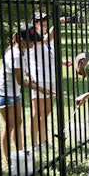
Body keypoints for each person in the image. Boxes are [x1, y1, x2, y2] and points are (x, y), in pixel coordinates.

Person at [0, 24, 43, 166]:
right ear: (22, 39)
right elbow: (20, 81)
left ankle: (20, 153)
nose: (34, 43)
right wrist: (40, 88)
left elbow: (22, 70)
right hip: (5, 92)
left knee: (18, 123)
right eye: (32, 40)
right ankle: (8, 159)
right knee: (9, 126)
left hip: (14, 91)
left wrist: (28, 74)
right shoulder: (15, 54)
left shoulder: (23, 51)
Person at [28, 12, 71, 153]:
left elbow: (50, 55)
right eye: (40, 21)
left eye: (46, 20)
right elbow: (46, 40)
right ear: (34, 23)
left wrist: (62, 63)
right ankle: (34, 144)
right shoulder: (32, 36)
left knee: (46, 111)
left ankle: (43, 141)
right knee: (37, 112)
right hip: (39, 79)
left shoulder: (49, 40)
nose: (44, 23)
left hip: (51, 78)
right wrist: (58, 23)